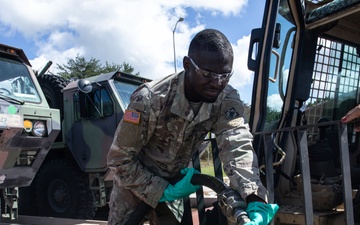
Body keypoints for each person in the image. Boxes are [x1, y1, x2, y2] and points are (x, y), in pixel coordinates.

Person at [107, 28, 278, 225]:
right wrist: (159, 189)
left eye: (225, 75)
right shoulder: (150, 99)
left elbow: (236, 146)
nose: (217, 83)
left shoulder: (226, 100)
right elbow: (119, 159)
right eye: (207, 74)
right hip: (132, 186)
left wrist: (253, 197)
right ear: (187, 64)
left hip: (176, 186)